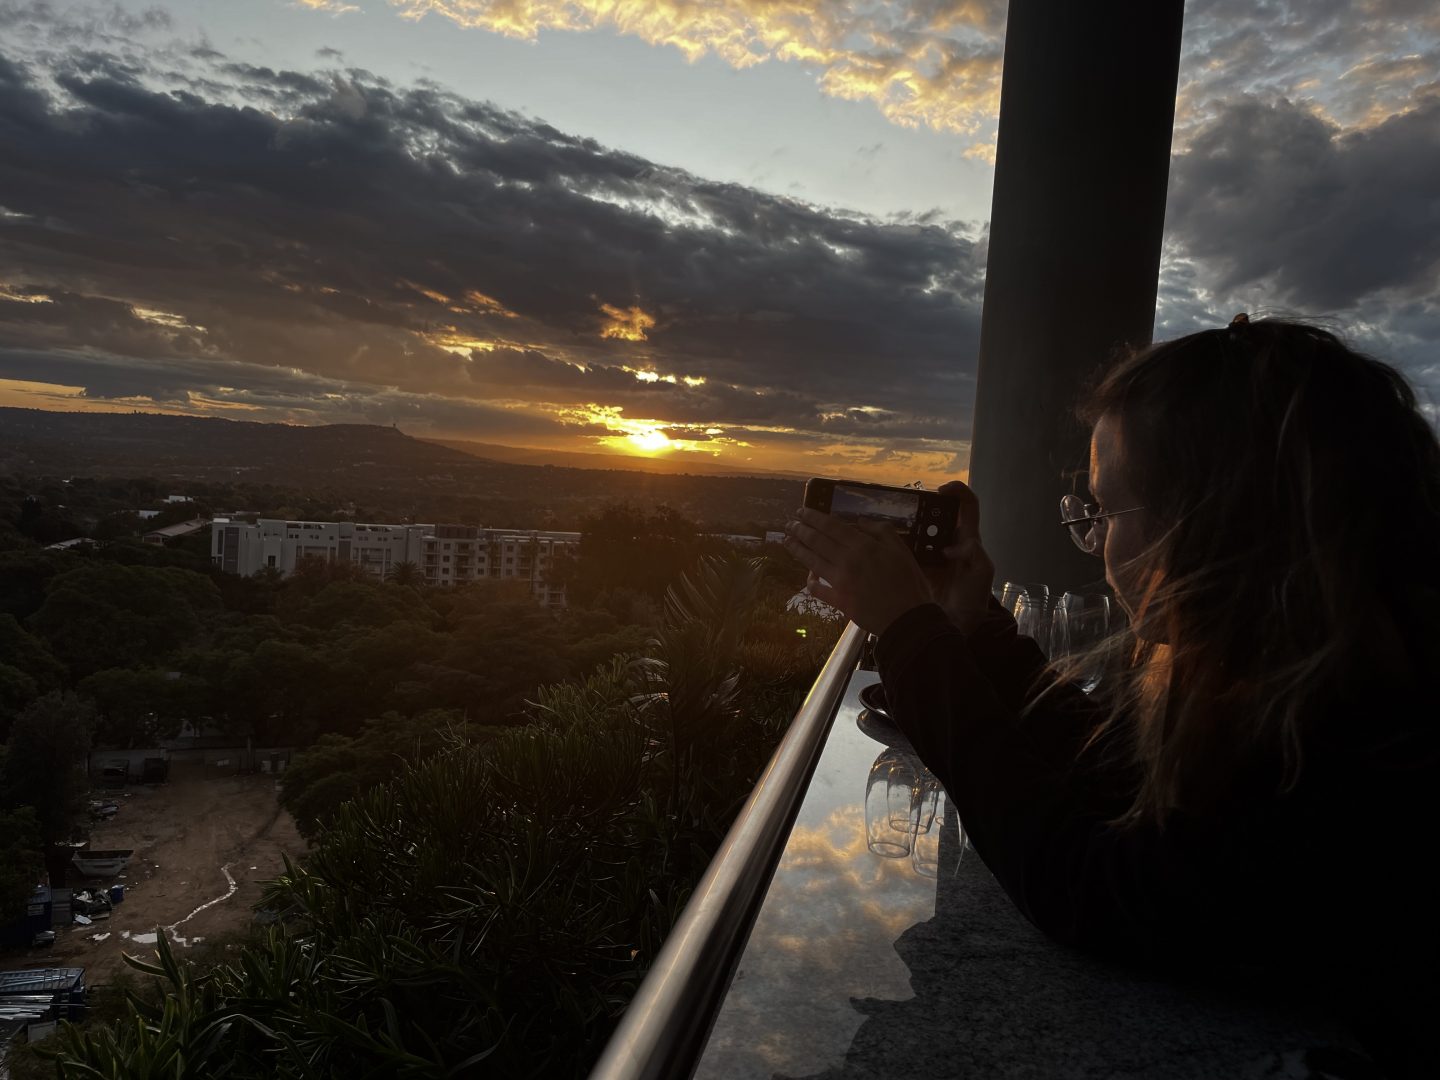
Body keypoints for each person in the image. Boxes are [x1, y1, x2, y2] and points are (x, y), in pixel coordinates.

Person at [783, 317, 1439, 1077]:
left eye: (1106, 511)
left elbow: (1093, 888)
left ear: (1216, 525)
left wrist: (908, 631)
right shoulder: (1317, 687)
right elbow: (1114, 772)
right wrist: (971, 624)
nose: (1097, 549)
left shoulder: (1360, 752)